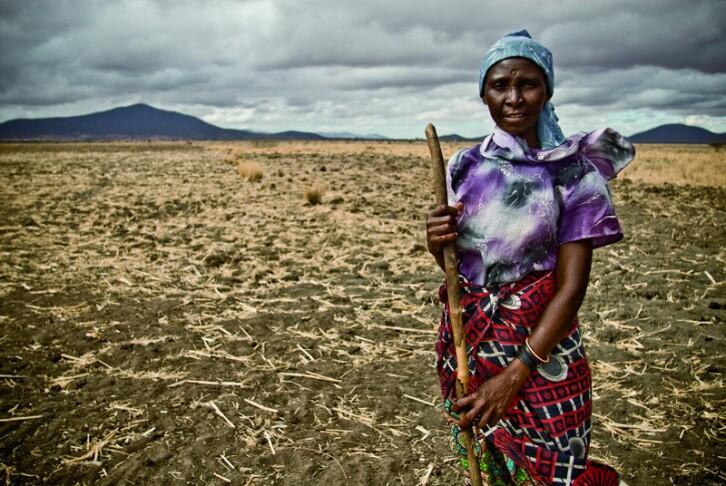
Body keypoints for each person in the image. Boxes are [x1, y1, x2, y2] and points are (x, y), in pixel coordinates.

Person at [425, 30, 634, 485]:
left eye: (528, 84)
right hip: (471, 345)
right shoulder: (465, 166)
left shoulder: (575, 174)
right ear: (484, 93)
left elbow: (572, 289)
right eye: (501, 85)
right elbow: (458, 268)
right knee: (490, 463)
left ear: (548, 90)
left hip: (544, 355)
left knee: (552, 470)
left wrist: (515, 375)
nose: (514, 98)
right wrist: (435, 239)